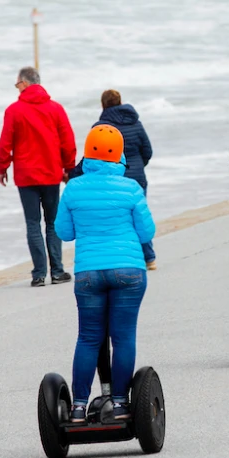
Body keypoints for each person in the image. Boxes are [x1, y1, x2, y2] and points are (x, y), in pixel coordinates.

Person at [55, 125, 155, 422]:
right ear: (119, 155)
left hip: (89, 273)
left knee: (88, 338)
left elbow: (64, 232)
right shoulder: (132, 188)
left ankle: (78, 407)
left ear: (87, 153)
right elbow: (147, 231)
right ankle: (122, 404)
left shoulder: (73, 188)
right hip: (129, 271)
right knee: (123, 337)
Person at [0, 67, 77, 287]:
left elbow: (5, 143)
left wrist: (2, 167)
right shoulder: (56, 109)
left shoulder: (14, 111)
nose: (16, 89)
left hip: (26, 176)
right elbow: (67, 141)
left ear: (23, 83)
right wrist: (68, 168)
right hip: (51, 174)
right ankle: (57, 271)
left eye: (17, 85)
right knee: (52, 223)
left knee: (33, 224)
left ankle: (39, 274)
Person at [94, 89, 156, 270]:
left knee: (115, 219)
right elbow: (148, 151)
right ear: (120, 102)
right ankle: (149, 258)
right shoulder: (135, 123)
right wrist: (137, 167)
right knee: (139, 216)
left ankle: (122, 259)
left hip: (111, 180)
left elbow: (94, 158)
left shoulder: (99, 128)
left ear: (103, 105)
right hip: (137, 178)